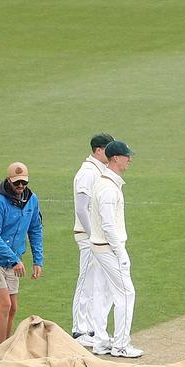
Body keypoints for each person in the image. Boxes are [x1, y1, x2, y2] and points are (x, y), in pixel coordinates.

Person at [0, 162, 44, 347]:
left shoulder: (32, 200)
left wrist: (38, 260)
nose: (20, 186)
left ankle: (6, 348)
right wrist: (13, 259)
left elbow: (35, 229)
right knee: (4, 304)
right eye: (16, 183)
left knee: (13, 308)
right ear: (8, 181)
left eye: (24, 182)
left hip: (12, 261)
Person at [89, 140, 143, 358]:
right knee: (126, 293)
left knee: (104, 294)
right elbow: (109, 225)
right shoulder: (108, 188)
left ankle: (101, 342)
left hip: (101, 247)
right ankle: (121, 344)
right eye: (126, 156)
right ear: (115, 158)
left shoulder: (107, 184)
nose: (129, 160)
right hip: (108, 248)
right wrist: (121, 253)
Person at [71, 133, 115, 348]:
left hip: (98, 238)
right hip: (88, 237)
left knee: (98, 283)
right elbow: (81, 207)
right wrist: (93, 236)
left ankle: (93, 329)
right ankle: (80, 330)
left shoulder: (100, 171)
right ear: (99, 150)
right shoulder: (87, 173)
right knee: (87, 280)